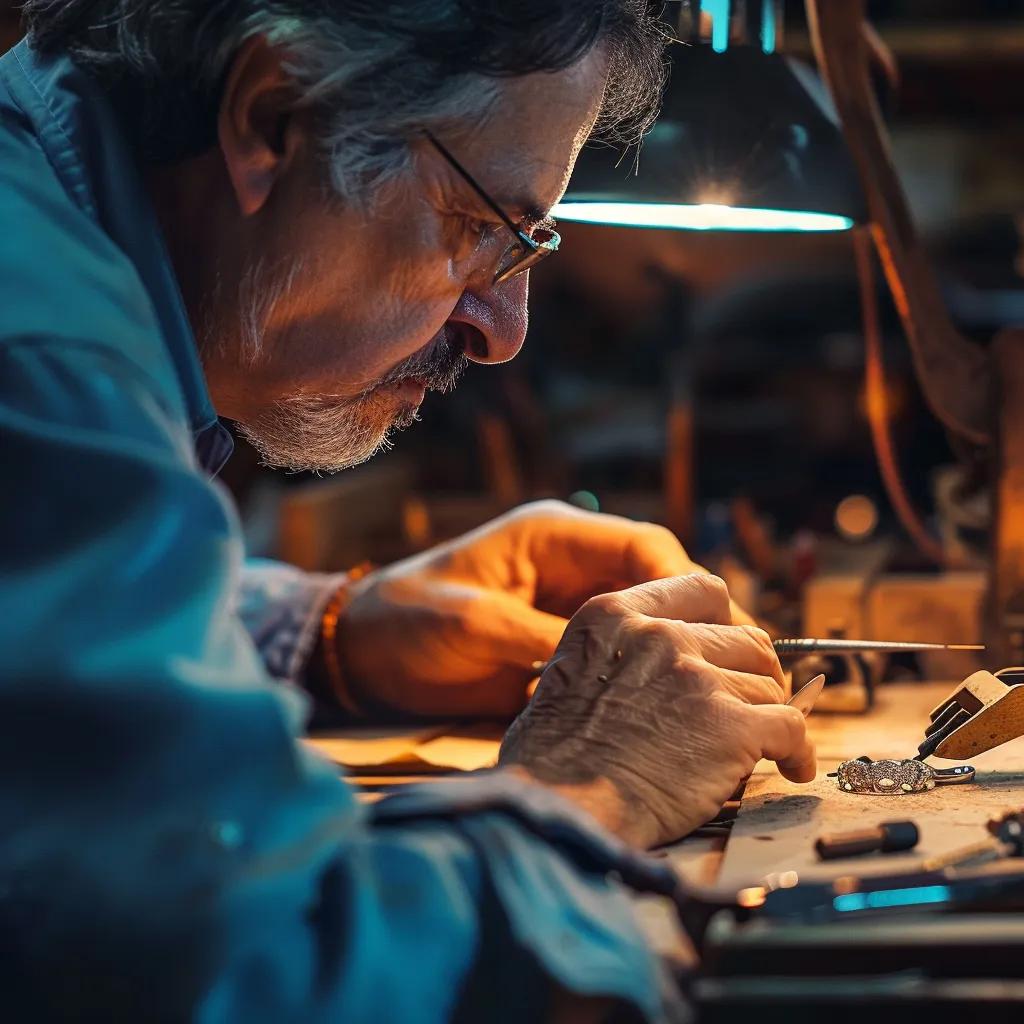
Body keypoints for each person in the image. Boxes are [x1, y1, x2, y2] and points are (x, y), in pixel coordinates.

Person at [0, 2, 816, 1020]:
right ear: (274, 116)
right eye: (484, 228)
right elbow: (263, 974)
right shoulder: (44, 366)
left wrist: (334, 632)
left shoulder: (41, 233)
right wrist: (586, 792)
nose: (503, 328)